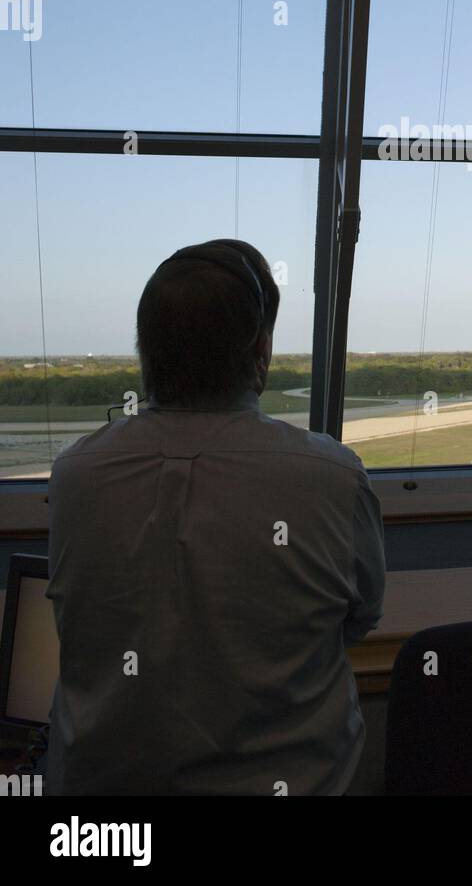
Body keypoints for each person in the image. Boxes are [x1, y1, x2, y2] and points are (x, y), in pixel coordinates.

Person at [46, 238, 386, 796]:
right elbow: (360, 618)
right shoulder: (332, 475)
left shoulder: (75, 473)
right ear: (259, 347)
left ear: (146, 349)